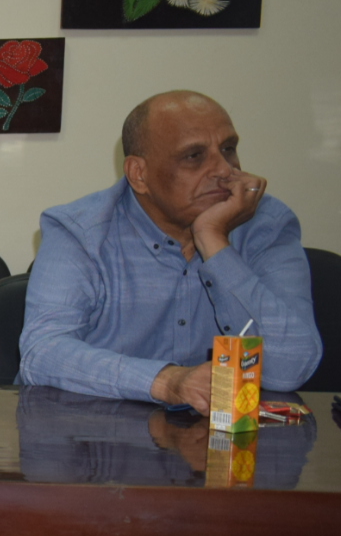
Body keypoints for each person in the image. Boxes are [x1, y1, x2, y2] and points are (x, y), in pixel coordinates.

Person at [17, 91, 321, 411]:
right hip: (101, 428)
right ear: (139, 174)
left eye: (228, 149)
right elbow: (42, 353)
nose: (224, 170)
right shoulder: (81, 232)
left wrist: (214, 242)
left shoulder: (267, 225)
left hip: (223, 435)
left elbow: (290, 368)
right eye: (194, 156)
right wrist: (168, 382)